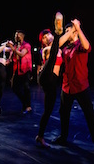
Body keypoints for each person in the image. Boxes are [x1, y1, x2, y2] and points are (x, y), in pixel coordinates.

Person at [51, 19, 94, 157]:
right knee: (63, 113)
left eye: (68, 31)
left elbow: (88, 46)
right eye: (65, 31)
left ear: (75, 31)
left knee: (90, 116)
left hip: (81, 86)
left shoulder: (79, 46)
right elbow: (56, 45)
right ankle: (63, 137)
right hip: (67, 87)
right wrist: (69, 31)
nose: (67, 33)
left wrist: (77, 28)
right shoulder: (65, 48)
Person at [35, 12, 64, 147]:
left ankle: (40, 136)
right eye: (44, 38)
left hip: (52, 81)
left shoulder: (58, 49)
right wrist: (61, 33)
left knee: (48, 110)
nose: (47, 38)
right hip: (45, 76)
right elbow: (54, 49)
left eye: (48, 35)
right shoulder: (47, 49)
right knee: (52, 56)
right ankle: (59, 30)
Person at [6, 30, 32, 114]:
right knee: (14, 87)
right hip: (17, 69)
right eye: (15, 35)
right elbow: (13, 58)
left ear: (22, 36)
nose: (16, 36)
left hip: (25, 69)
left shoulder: (27, 45)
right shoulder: (16, 46)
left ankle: (28, 106)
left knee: (26, 87)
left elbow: (21, 54)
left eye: (18, 35)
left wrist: (13, 48)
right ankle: (25, 103)